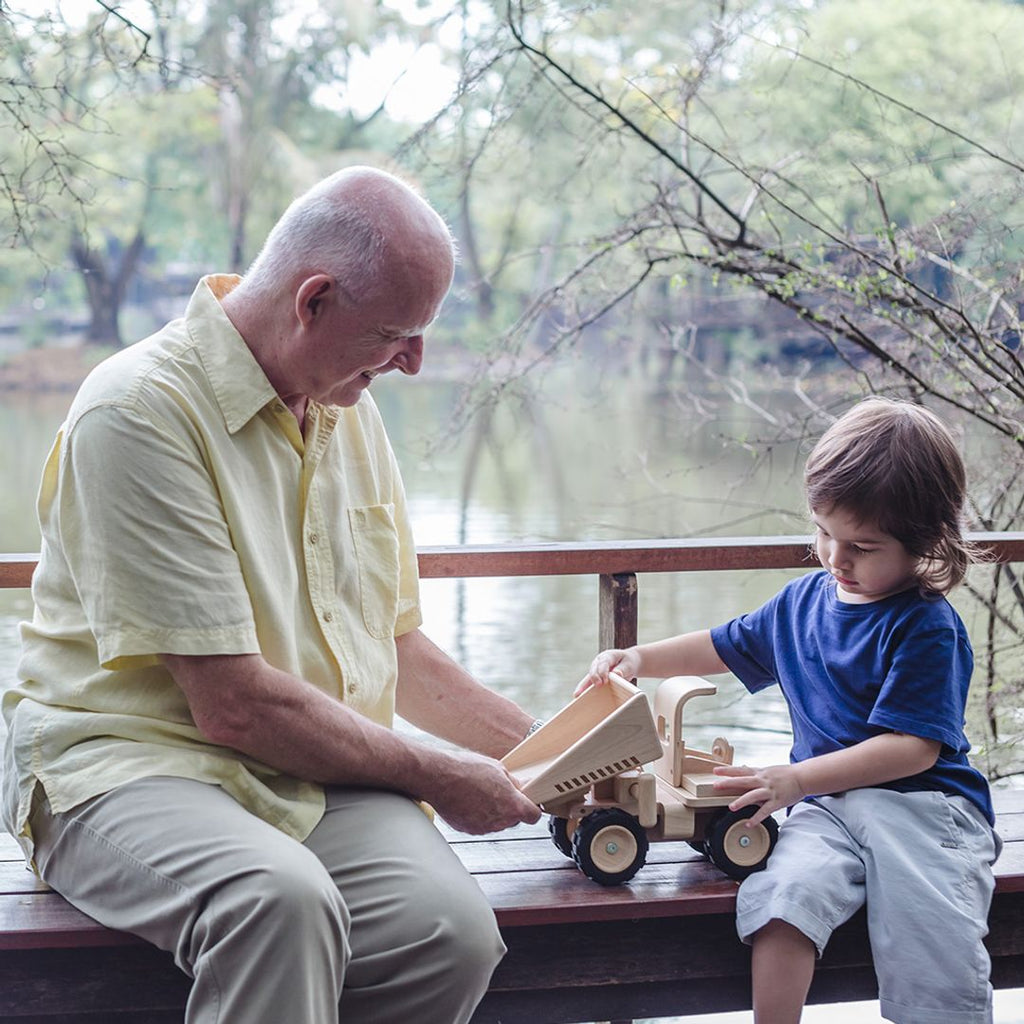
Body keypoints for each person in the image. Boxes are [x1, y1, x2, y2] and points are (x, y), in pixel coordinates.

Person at [1, 166, 542, 1024]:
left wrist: (556, 756)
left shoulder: (345, 407)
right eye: (398, 333)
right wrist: (441, 774)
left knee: (449, 931)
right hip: (125, 765)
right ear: (313, 299)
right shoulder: (137, 411)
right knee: (278, 905)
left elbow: (395, 649)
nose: (414, 362)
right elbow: (234, 707)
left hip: (309, 766)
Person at [579, 397, 1001, 1024]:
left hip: (921, 806)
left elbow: (913, 748)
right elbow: (722, 644)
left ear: (924, 543)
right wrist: (638, 657)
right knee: (781, 898)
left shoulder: (925, 626)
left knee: (931, 929)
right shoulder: (801, 603)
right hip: (826, 808)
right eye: (826, 532)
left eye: (864, 545)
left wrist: (797, 779)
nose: (837, 557)